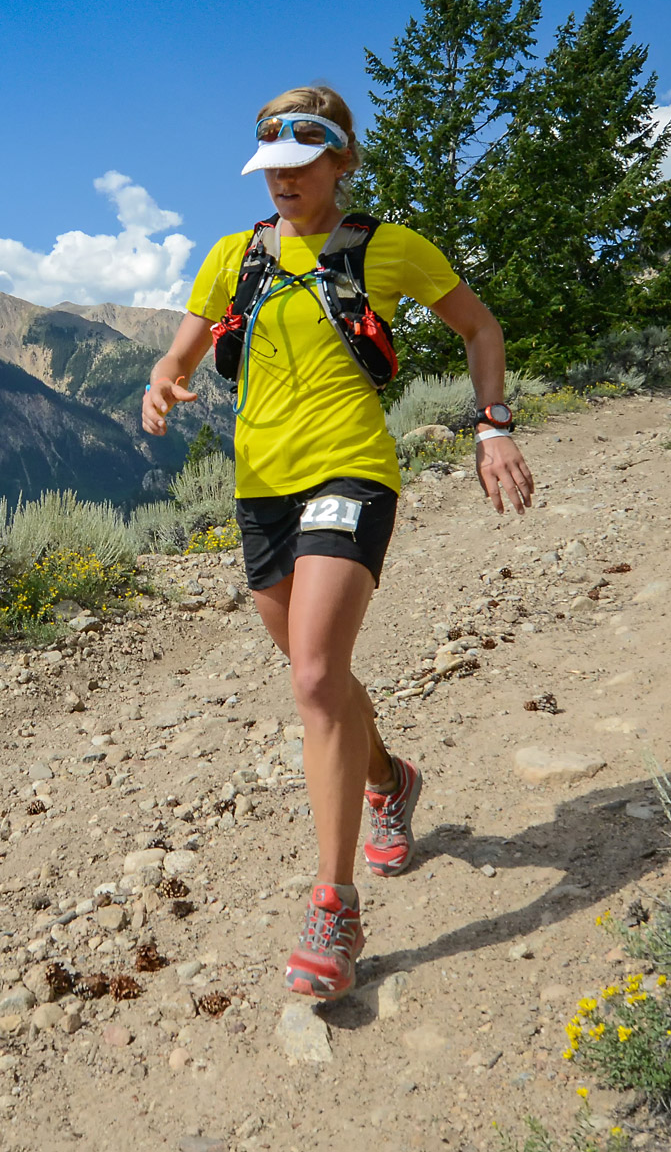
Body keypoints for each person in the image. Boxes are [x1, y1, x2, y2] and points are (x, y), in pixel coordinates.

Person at [141, 85, 534, 1001]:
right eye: (269, 167)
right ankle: (392, 779)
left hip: (351, 472)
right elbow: (182, 350)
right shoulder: (232, 256)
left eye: (300, 163)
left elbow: (479, 325)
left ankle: (335, 904)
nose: (283, 179)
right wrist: (161, 383)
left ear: (340, 161)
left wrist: (492, 424)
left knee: (314, 676)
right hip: (260, 493)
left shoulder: (389, 247)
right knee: (325, 675)